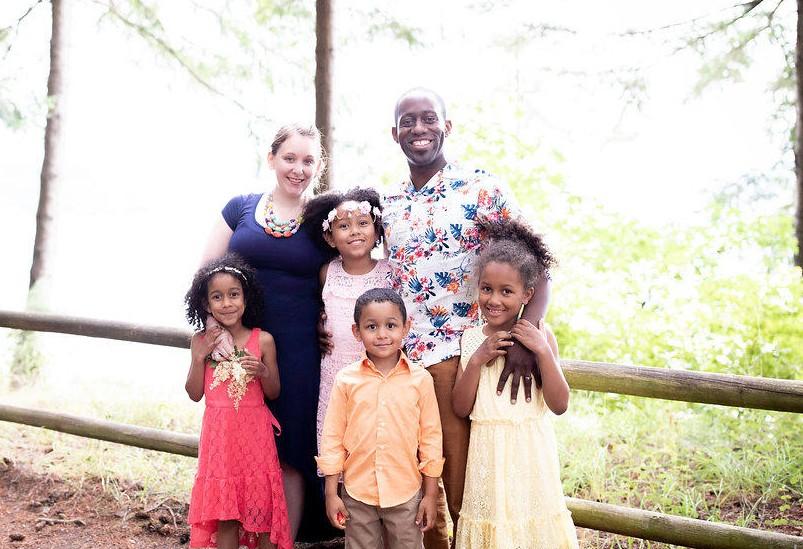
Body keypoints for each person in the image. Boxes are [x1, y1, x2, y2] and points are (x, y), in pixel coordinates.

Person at [381, 87, 550, 548]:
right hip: (402, 363)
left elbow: (538, 265)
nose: (419, 128)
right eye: (408, 121)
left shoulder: (481, 188)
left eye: (429, 118)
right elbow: (363, 263)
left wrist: (525, 338)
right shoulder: (388, 202)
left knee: (464, 487)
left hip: (461, 358)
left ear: (447, 126)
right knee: (415, 486)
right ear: (394, 133)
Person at [201, 124, 334, 541]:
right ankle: (239, 536)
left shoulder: (323, 222)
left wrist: (331, 324)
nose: (298, 168)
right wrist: (214, 332)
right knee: (238, 448)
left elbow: (341, 276)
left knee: (291, 449)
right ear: (272, 158)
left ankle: (284, 540)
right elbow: (205, 274)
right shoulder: (240, 208)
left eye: (308, 161)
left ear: (318, 167)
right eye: (289, 158)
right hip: (239, 347)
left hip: (298, 351)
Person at [452, 220, 577, 548]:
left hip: (530, 454)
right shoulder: (471, 339)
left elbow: (560, 404)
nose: (494, 299)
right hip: (488, 458)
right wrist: (477, 360)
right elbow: (461, 407)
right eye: (487, 289)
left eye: (506, 291)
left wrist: (542, 351)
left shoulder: (541, 336)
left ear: (527, 294)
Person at [316, 288, 444, 549]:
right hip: (357, 492)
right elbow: (332, 437)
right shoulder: (346, 380)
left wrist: (430, 495)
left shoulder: (420, 380)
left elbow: (431, 439)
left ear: (406, 327)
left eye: (391, 325)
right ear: (357, 331)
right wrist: (331, 492)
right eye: (372, 327)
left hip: (405, 491)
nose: (382, 334)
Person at [184, 253, 292, 549]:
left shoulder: (263, 340)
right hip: (219, 439)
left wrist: (264, 372)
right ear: (206, 304)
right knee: (226, 516)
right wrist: (198, 358)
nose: (227, 303)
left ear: (246, 298)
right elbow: (194, 393)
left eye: (234, 294)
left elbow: (274, 392)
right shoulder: (200, 341)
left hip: (255, 436)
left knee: (263, 509)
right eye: (217, 297)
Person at [302, 187, 392, 455]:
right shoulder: (327, 272)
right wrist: (320, 323)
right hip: (335, 375)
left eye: (363, 223)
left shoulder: (389, 272)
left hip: (376, 374)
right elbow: (321, 310)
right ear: (330, 237)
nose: (355, 231)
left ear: (377, 231)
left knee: (373, 442)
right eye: (344, 226)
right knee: (338, 443)